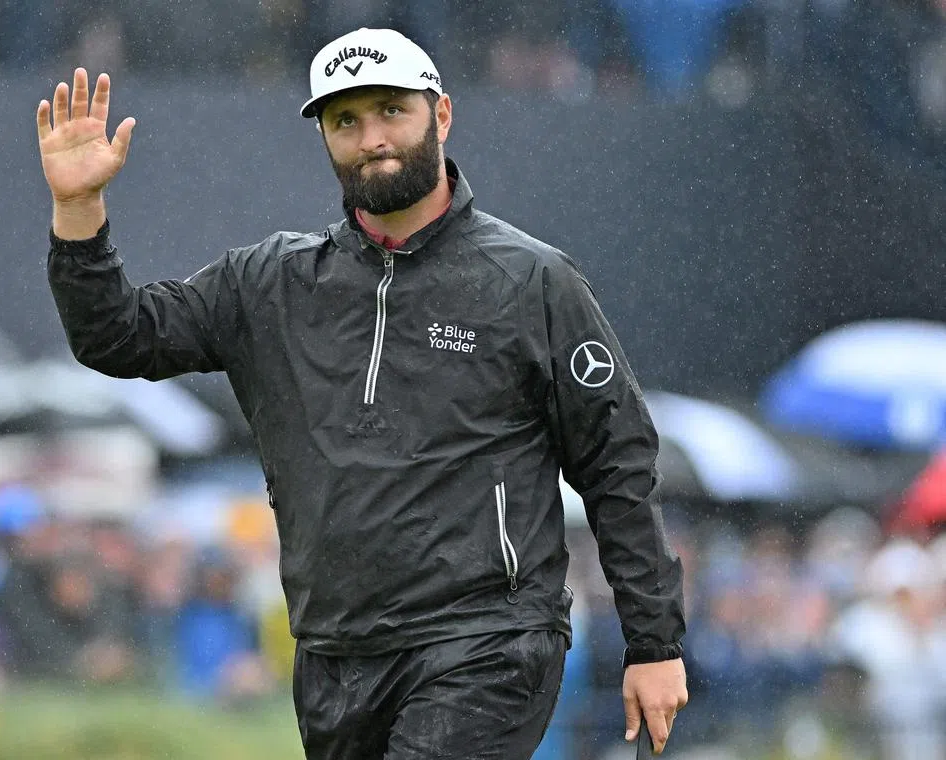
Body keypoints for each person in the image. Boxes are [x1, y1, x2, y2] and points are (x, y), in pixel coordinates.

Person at [37, 26, 687, 759]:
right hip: (335, 654)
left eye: (391, 111)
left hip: (485, 641)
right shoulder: (270, 282)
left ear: (442, 115)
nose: (372, 137)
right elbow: (117, 337)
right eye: (346, 120)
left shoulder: (533, 282)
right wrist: (79, 212)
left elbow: (616, 462)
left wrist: (654, 641)